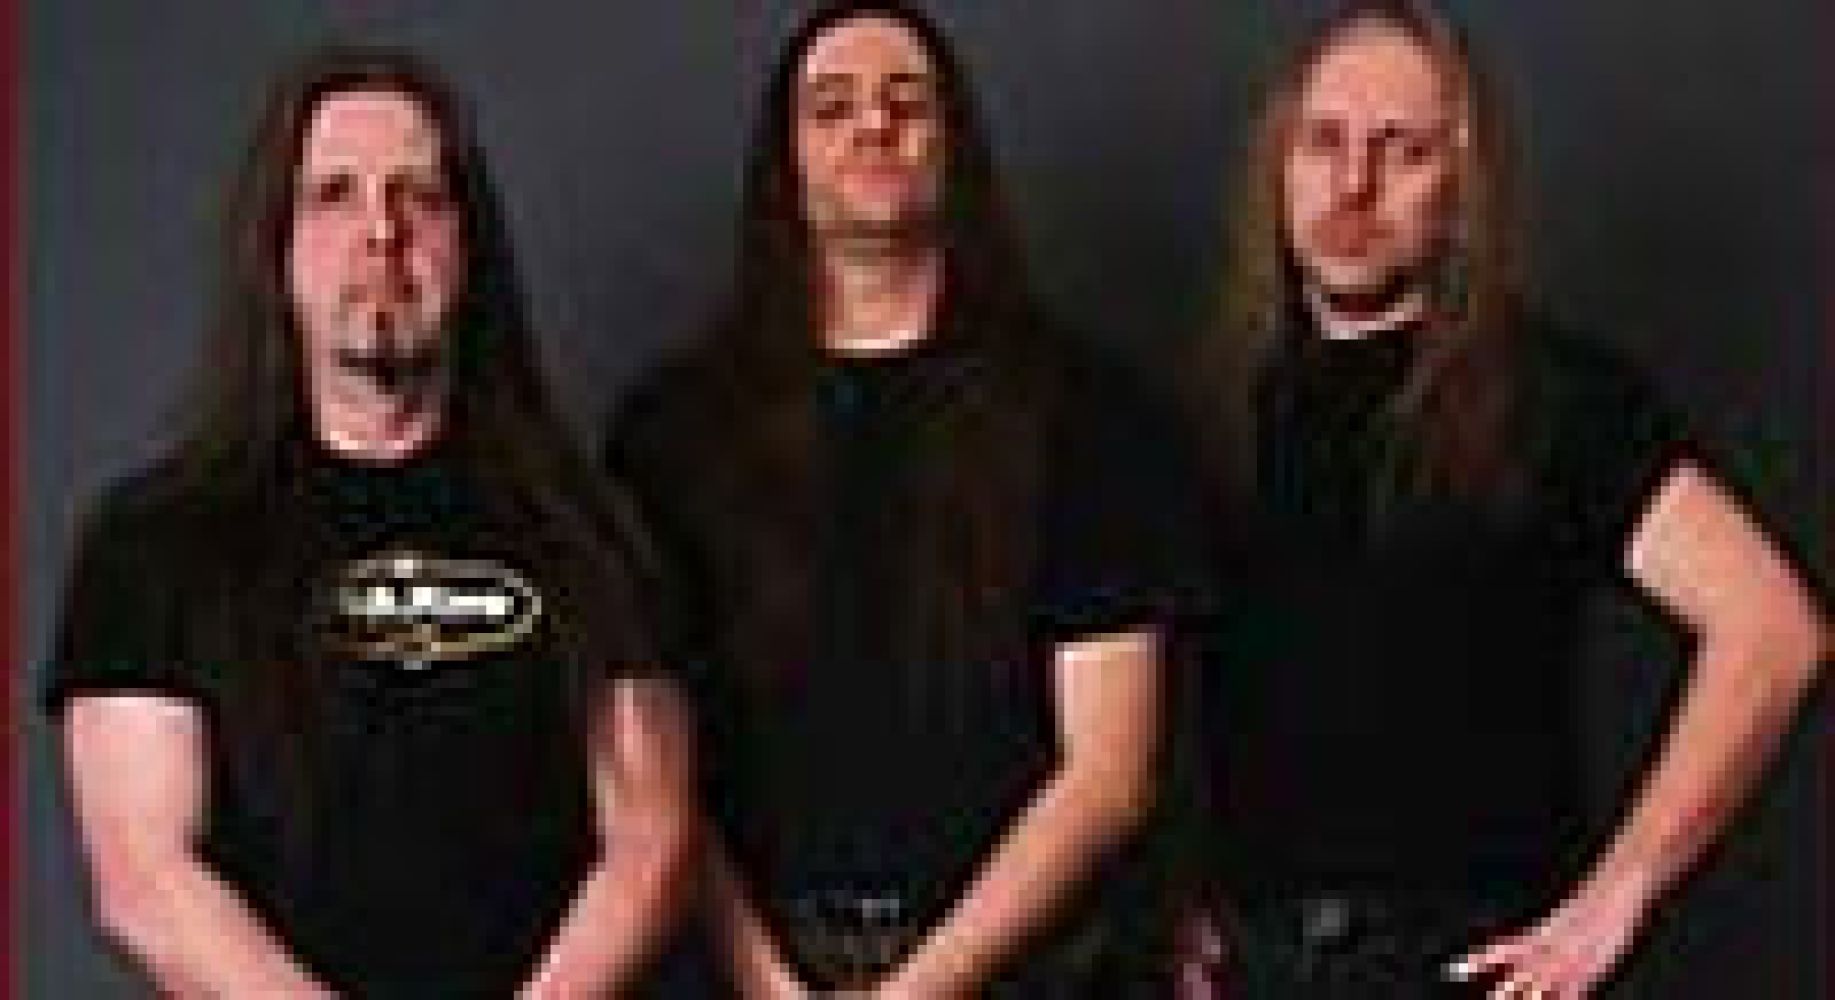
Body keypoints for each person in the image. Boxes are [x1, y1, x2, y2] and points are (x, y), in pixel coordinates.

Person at [1181, 2, 1828, 997]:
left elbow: (1771, 630)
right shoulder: (1217, 409)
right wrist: (1173, 896)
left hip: (1473, 961)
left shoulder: (1553, 400)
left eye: (1400, 151)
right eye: (1323, 143)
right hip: (1253, 962)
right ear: (1279, 166)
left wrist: (1618, 892)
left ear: (1462, 186)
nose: (1352, 185)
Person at [44, 45, 696, 997]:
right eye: (334, 196)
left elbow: (650, 844)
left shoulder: (588, 527)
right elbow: (146, 880)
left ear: (469, 247)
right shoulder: (154, 543)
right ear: (277, 249)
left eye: (419, 197)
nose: (381, 231)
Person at [603, 2, 1196, 994]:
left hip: (1030, 973)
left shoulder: (1089, 412)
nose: (873, 125)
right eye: (832, 107)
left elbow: (1107, 774)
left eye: (906, 102)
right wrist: (765, 984)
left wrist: (916, 990)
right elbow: (653, 774)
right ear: (784, 163)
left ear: (955, 147)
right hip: (744, 971)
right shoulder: (668, 432)